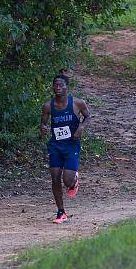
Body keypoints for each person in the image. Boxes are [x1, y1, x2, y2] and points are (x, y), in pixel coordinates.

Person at [40, 73, 91, 224]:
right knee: (55, 178)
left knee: (66, 181)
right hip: (55, 146)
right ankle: (61, 212)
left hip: (71, 146)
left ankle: (74, 180)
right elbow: (43, 123)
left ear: (67, 87)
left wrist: (81, 127)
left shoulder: (77, 103)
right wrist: (42, 128)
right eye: (55, 85)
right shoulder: (48, 106)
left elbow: (88, 116)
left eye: (61, 85)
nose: (58, 87)